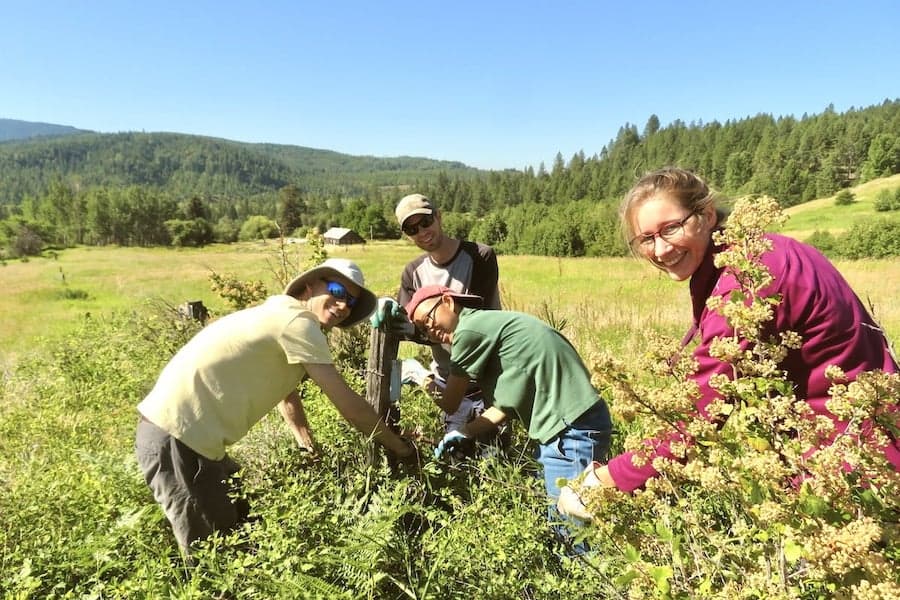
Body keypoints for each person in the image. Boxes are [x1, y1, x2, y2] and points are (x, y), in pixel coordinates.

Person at [558, 167, 899, 517]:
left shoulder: (748, 280)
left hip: (853, 462)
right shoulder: (756, 253)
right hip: (864, 437)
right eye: (646, 239)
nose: (660, 249)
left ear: (706, 216)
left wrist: (602, 482)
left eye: (671, 228)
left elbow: (698, 414)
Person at [135, 258, 417, 555]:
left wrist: (305, 441)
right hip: (178, 439)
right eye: (336, 290)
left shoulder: (279, 315)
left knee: (243, 526)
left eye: (351, 301)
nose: (343, 304)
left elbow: (287, 393)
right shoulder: (298, 323)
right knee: (212, 555)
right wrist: (401, 449)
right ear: (309, 286)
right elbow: (349, 406)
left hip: (188, 438)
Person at [404, 285, 612, 534]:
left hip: (570, 428)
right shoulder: (489, 326)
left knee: (573, 525)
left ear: (448, 302)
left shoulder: (468, 332)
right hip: (569, 424)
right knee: (561, 517)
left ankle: (588, 571)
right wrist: (465, 431)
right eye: (424, 330)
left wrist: (420, 376)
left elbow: (450, 403)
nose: (431, 331)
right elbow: (503, 406)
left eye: (428, 319)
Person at [371, 193, 506, 455]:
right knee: (457, 464)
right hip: (447, 381)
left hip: (489, 382)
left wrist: (416, 329)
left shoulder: (480, 256)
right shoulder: (413, 273)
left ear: (439, 216)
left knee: (496, 458)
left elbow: (472, 324)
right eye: (411, 228)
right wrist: (384, 307)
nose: (421, 231)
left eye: (425, 221)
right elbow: (406, 323)